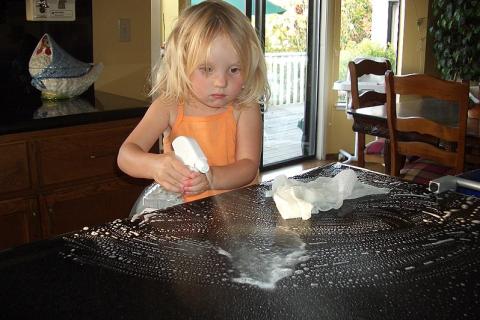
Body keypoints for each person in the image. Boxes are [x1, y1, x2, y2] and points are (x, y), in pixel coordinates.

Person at [117, 0, 270, 208]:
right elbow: (126, 155)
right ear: (183, 64)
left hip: (237, 211)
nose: (221, 82)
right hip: (184, 213)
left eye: (234, 70)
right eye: (207, 69)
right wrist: (155, 165)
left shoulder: (245, 108)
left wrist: (211, 178)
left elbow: (248, 166)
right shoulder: (169, 106)